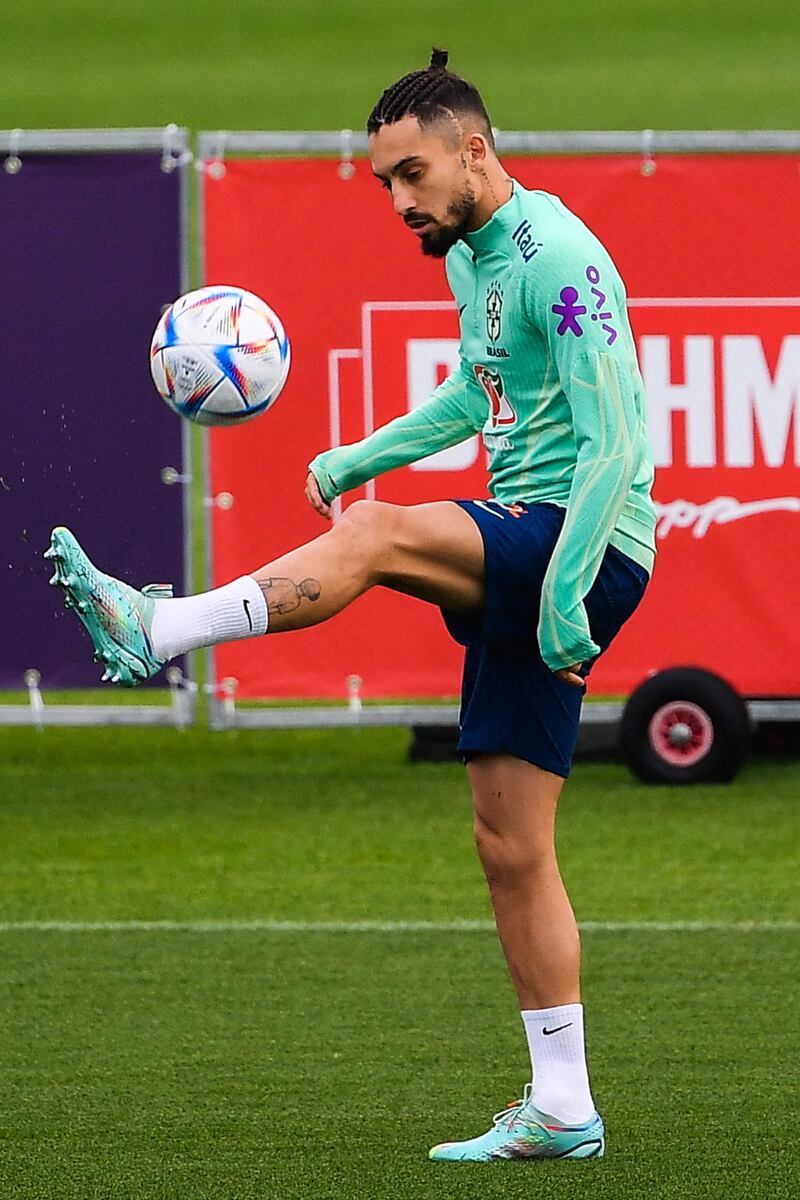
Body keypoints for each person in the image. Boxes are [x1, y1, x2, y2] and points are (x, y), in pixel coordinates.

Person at [46, 48, 655, 1163]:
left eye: (411, 174)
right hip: (528, 539)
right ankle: (563, 1105)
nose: (397, 200)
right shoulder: (469, 259)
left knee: (373, 537)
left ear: (474, 150)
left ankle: (159, 627)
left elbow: (617, 438)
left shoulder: (556, 255)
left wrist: (566, 596)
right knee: (507, 844)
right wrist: (361, 452)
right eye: (382, 183)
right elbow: (474, 391)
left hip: (582, 542)